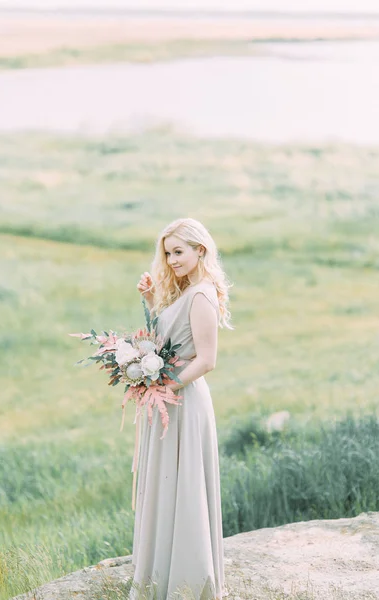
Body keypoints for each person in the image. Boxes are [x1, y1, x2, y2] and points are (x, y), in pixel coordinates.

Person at [129, 217, 233, 600]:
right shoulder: (186, 292)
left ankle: (187, 578)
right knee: (168, 482)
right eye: (167, 253)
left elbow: (206, 360)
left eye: (179, 252)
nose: (171, 260)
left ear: (199, 250)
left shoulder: (202, 294)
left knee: (184, 482)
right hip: (168, 398)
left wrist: (164, 386)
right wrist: (152, 301)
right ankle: (162, 569)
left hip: (184, 401)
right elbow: (174, 339)